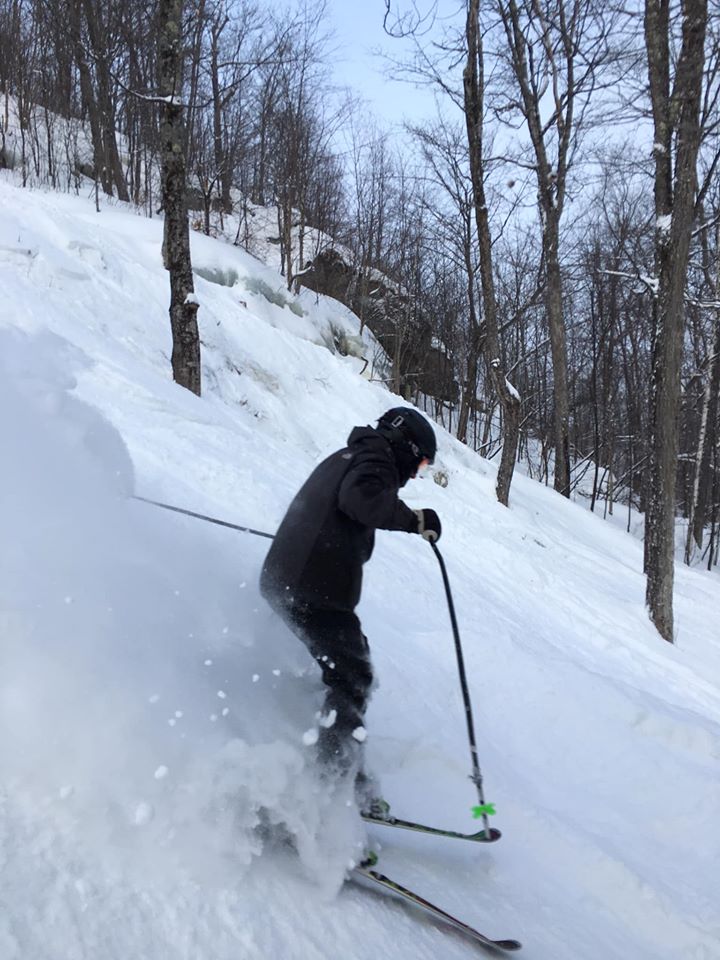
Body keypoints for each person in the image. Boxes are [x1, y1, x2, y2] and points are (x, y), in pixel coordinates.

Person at [259, 407, 441, 811]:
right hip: (312, 589)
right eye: (421, 464)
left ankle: (325, 756)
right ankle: (328, 786)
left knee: (350, 662)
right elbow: (360, 499)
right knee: (353, 676)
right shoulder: (374, 460)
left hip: (292, 581)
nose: (416, 475)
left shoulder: (352, 455)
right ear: (408, 448)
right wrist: (414, 519)